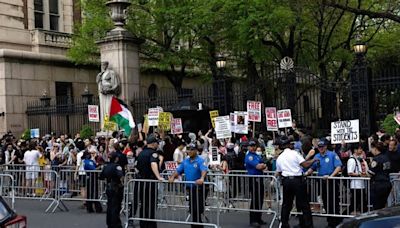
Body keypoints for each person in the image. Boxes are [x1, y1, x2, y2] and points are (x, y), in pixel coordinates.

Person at [276, 136, 315, 228]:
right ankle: (308, 225)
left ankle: (284, 224)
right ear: (289, 145)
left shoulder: (280, 157)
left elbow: (279, 171)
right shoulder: (295, 153)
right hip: (297, 180)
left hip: (286, 181)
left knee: (286, 204)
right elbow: (304, 164)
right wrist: (314, 160)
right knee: (304, 204)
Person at [305, 139, 342, 228]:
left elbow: (338, 167)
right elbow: (312, 168)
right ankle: (330, 221)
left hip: (331, 181)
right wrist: (306, 173)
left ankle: (336, 221)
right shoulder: (317, 156)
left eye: (322, 146)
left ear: (325, 146)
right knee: (325, 201)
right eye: (319, 147)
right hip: (322, 181)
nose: (321, 148)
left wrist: (331, 176)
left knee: (333, 201)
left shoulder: (332, 154)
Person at [169, 143, 208, 228]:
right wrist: (172, 177)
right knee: (192, 210)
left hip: (200, 188)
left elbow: (204, 170)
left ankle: (198, 225)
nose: (188, 151)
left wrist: (201, 178)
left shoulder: (200, 160)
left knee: (197, 209)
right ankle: (195, 225)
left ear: (195, 151)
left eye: (191, 150)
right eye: (187, 149)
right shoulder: (185, 161)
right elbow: (178, 170)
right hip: (190, 189)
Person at [136, 134, 164, 228]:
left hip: (140, 181)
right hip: (150, 182)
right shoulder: (153, 153)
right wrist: (158, 176)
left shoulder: (141, 153)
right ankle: (150, 224)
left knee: (143, 204)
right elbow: (153, 164)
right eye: (156, 143)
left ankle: (143, 223)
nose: (157, 144)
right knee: (151, 204)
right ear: (153, 144)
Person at [244, 141, 267, 227]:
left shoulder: (257, 156)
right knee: (255, 200)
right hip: (253, 179)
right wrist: (263, 166)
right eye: (251, 146)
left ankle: (258, 218)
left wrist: (263, 165)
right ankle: (253, 220)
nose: (253, 147)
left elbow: (264, 164)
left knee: (260, 199)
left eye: (254, 146)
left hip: (259, 178)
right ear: (248, 147)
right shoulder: (249, 157)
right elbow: (259, 166)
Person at [100, 152, 124, 228]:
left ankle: (109, 222)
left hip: (108, 187)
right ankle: (115, 224)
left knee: (110, 206)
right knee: (116, 206)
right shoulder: (117, 167)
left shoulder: (106, 166)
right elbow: (121, 176)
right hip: (116, 187)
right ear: (116, 159)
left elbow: (101, 177)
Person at [368, 141, 392, 210]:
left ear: (375, 149)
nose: (371, 151)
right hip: (386, 184)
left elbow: (370, 173)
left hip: (378, 185)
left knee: (376, 208)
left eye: (372, 148)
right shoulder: (386, 157)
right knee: (382, 207)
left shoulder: (376, 159)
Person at [346, 143, 368, 214]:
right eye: (359, 149)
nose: (361, 150)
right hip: (355, 185)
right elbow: (350, 172)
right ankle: (343, 216)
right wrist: (359, 174)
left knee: (361, 203)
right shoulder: (352, 160)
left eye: (361, 148)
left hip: (361, 184)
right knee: (355, 204)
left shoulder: (360, 159)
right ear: (355, 150)